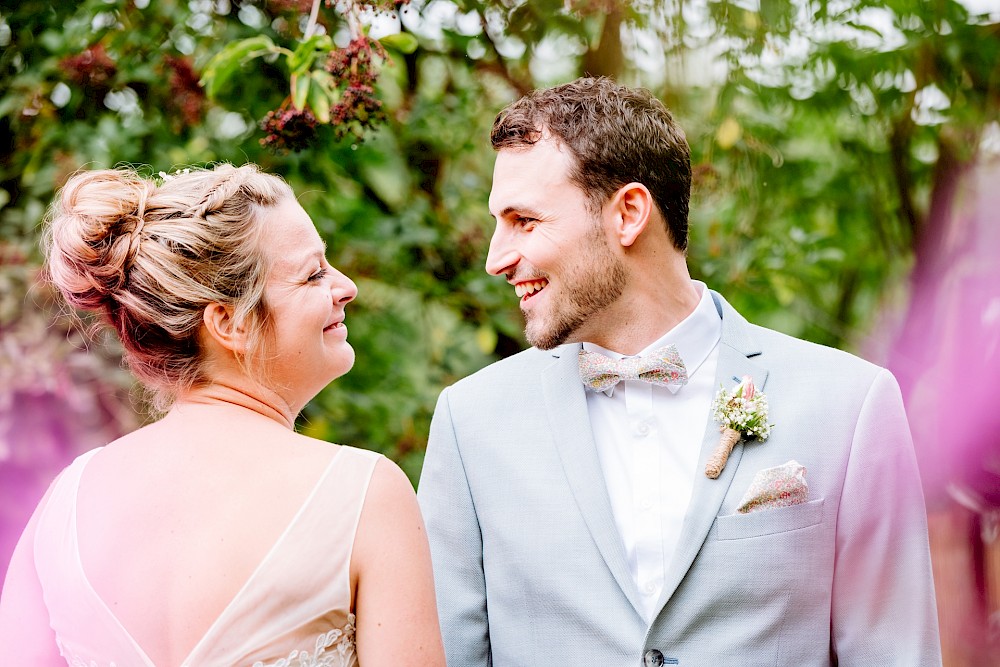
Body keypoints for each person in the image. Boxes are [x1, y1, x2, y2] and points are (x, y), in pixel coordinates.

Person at [417, 77, 942, 665]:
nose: (495, 258)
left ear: (629, 213)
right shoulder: (471, 423)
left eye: (524, 221)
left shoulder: (850, 405)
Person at [0, 164, 446, 666]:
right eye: (313, 273)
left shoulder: (63, 504)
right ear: (229, 322)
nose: (346, 287)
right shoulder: (365, 494)